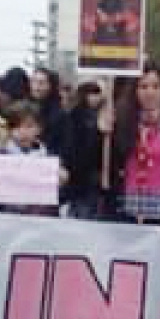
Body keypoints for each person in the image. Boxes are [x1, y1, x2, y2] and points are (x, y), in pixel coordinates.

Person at [101, 65, 160, 232]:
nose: (149, 92)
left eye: (156, 86)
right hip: (123, 213)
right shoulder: (120, 122)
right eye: (143, 87)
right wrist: (100, 133)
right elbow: (101, 165)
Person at [0, 102, 69, 216]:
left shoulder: (50, 159)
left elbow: (62, 199)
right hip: (6, 219)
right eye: (17, 127)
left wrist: (61, 183)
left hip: (43, 220)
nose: (23, 132)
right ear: (9, 129)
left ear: (39, 128)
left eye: (29, 126)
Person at [66, 81, 108, 219]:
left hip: (94, 172)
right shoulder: (76, 115)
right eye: (92, 94)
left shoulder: (101, 114)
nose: (96, 98)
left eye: (97, 94)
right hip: (81, 172)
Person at [30, 67, 70, 161]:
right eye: (33, 81)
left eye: (41, 83)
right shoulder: (25, 108)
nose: (36, 87)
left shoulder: (60, 115)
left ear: (51, 86)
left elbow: (64, 148)